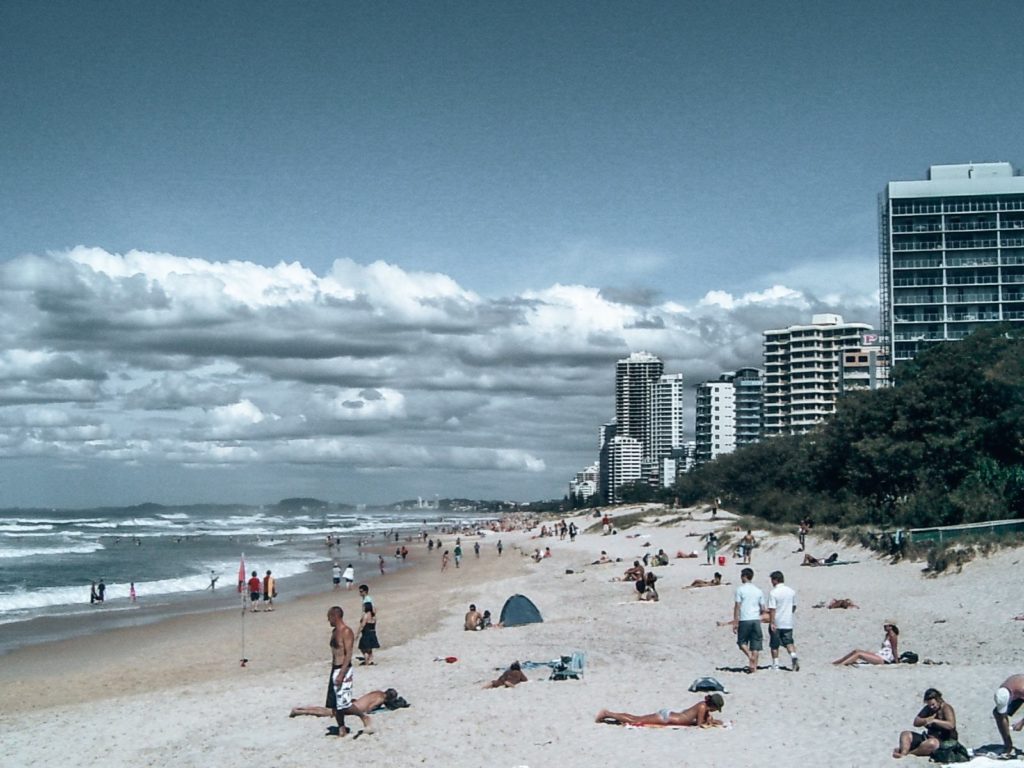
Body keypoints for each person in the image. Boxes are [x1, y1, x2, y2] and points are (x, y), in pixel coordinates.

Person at [323, 606, 371, 736]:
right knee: (334, 704)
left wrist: (342, 673)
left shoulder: (346, 632)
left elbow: (348, 654)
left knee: (345, 704)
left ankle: (364, 717)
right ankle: (342, 727)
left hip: (343, 669)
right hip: (335, 668)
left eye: (329, 618)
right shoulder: (334, 632)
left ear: (335, 616)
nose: (329, 621)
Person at [893, 688, 958, 759]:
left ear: (938, 700)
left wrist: (935, 720)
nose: (932, 707)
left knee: (932, 743)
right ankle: (903, 752)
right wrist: (926, 720)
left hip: (944, 740)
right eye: (929, 705)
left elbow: (951, 725)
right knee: (905, 734)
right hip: (928, 737)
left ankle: (909, 754)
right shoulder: (928, 708)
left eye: (933, 704)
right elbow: (916, 722)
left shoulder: (946, 708)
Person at [596, 693, 725, 727]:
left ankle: (608, 714)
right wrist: (711, 723)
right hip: (666, 719)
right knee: (636, 720)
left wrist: (713, 721)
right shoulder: (702, 707)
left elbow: (704, 719)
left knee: (637, 718)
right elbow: (700, 724)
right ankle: (607, 713)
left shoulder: (703, 705)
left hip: (669, 715)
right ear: (713, 706)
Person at [733, 567, 766, 673]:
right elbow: (763, 608)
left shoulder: (740, 589)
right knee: (755, 643)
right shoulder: (758, 590)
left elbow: (737, 606)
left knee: (741, 642)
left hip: (745, 619)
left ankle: (750, 656)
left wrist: (735, 621)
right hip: (755, 619)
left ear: (744, 576)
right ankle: (754, 667)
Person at [767, 570, 798, 671]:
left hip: (777, 622)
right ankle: (793, 655)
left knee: (774, 645)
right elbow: (794, 607)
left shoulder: (773, 593)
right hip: (788, 622)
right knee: (789, 642)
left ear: (775, 580)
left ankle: (775, 664)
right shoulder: (791, 591)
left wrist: (771, 622)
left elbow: (772, 609)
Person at [833, 621, 899, 665]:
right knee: (856, 651)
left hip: (885, 659)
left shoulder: (893, 636)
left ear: (891, 627)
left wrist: (896, 661)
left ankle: (841, 665)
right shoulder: (887, 635)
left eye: (886, 626)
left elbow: (894, 649)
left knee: (859, 654)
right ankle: (838, 662)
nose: (884, 627)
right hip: (881, 654)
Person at [994, 674, 1024, 755]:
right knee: (997, 713)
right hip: (1017, 694)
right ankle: (1008, 744)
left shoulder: (1022, 688)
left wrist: (1021, 723)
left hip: (1019, 692)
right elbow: (1001, 713)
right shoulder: (1002, 690)